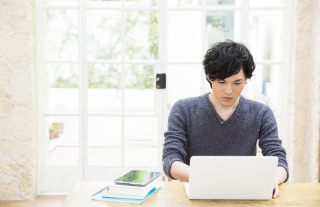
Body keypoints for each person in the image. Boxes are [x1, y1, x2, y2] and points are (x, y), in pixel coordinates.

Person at [162, 40, 288, 199]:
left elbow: (279, 161)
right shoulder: (183, 109)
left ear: (247, 79)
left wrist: (274, 179)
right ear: (209, 76)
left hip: (244, 196)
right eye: (221, 82)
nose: (228, 91)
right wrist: (211, 179)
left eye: (237, 83)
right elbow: (170, 160)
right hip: (195, 196)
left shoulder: (261, 113)